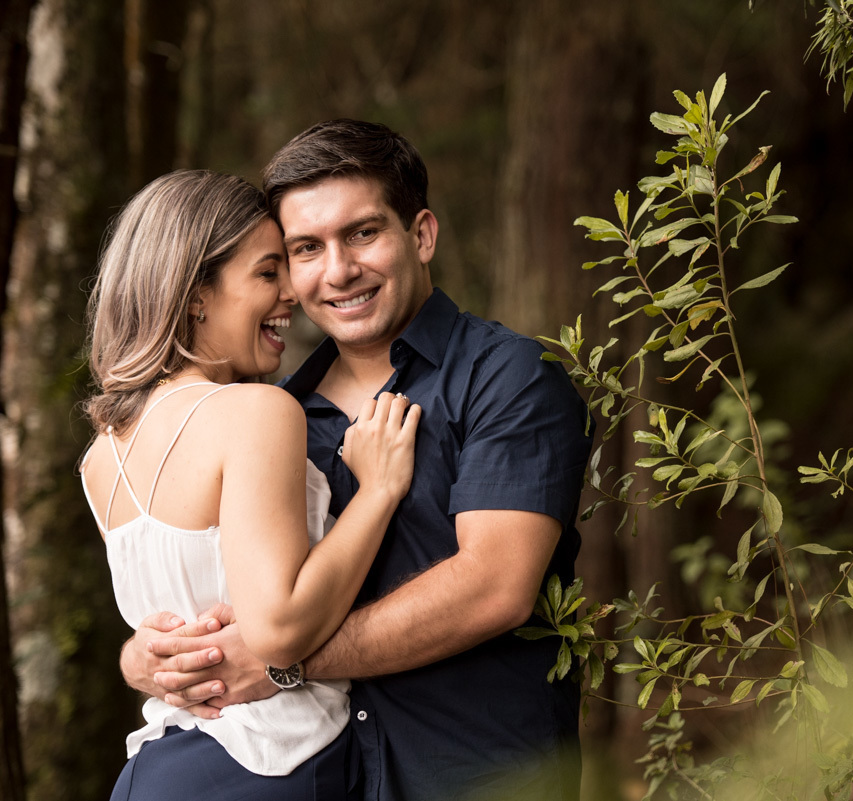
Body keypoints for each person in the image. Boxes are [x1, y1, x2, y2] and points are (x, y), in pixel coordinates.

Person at [118, 121, 595, 800]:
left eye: (363, 233)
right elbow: (217, 594)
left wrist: (288, 660)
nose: (338, 270)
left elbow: (496, 585)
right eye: (305, 248)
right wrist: (148, 659)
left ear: (421, 235)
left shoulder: (507, 377)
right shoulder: (272, 418)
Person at [81, 169, 421, 800]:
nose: (292, 291)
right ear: (194, 295)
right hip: (267, 766)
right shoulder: (256, 413)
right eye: (268, 273)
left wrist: (138, 660)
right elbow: (280, 630)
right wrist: (376, 493)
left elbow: (162, 632)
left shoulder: (105, 451)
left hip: (158, 768)